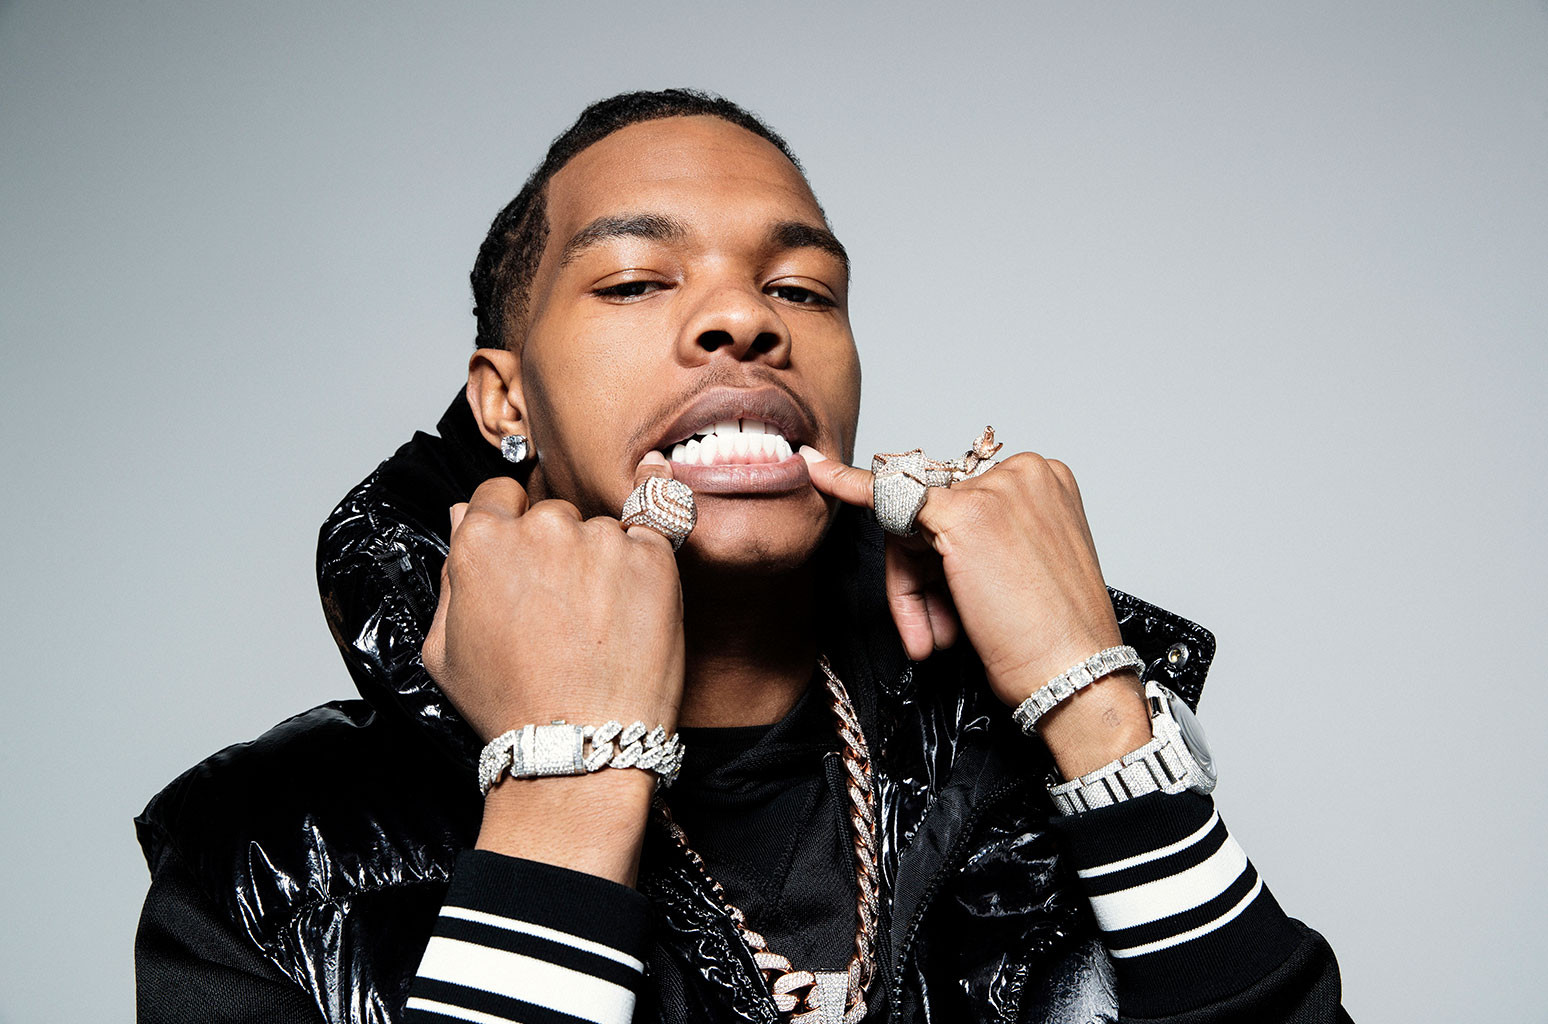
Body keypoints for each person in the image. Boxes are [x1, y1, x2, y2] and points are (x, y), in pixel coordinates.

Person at [135, 89, 1351, 1024]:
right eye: (634, 280)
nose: (745, 317)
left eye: (803, 288)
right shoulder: (269, 860)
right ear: (505, 402)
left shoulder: (1030, 768)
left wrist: (1095, 709)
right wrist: (563, 791)